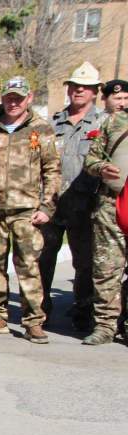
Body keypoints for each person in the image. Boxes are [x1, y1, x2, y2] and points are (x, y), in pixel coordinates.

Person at [0, 76, 61, 344]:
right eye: (9, 98)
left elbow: (52, 171)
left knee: (28, 265)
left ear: (29, 98)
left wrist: (47, 207)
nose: (13, 103)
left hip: (27, 211)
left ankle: (33, 321)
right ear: (3, 98)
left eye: (18, 98)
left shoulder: (41, 129)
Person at [39, 62, 103, 332]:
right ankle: (39, 310)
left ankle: (82, 311)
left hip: (85, 206)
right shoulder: (53, 123)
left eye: (85, 87)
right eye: (75, 86)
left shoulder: (103, 123)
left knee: (84, 262)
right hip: (52, 204)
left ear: (95, 91)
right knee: (43, 258)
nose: (78, 91)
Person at [82, 104, 128, 346]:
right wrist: (101, 168)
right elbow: (90, 159)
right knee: (106, 269)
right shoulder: (114, 121)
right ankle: (105, 326)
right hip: (112, 205)